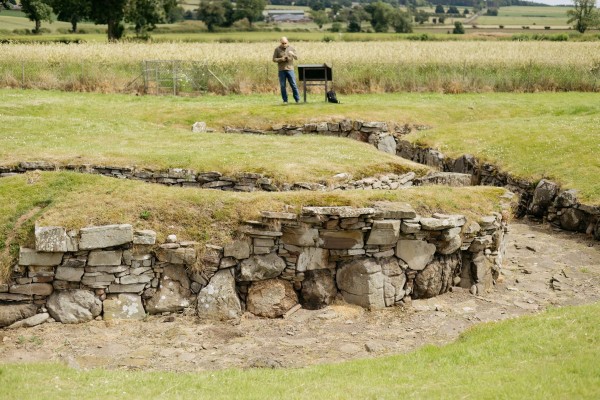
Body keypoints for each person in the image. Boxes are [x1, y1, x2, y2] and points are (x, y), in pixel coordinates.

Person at [272, 37, 300, 104]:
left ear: (287, 42)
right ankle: (285, 100)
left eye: (285, 43)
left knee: (293, 85)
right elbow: (274, 59)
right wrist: (281, 59)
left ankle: (297, 99)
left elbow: (297, 57)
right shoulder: (277, 49)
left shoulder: (291, 48)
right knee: (283, 86)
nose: (284, 44)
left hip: (290, 69)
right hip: (281, 70)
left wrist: (292, 54)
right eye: (283, 43)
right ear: (280, 42)